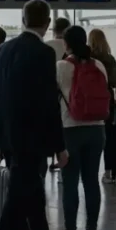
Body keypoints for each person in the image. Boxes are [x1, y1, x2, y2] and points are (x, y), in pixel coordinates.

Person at [0, 0, 77, 230]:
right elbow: (48, 103)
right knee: (15, 206)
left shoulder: (1, 50)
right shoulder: (43, 53)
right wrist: (59, 146)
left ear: (23, 20)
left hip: (7, 138)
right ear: (47, 23)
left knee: (34, 201)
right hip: (30, 142)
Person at [54, 26, 108, 230]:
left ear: (65, 44)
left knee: (70, 182)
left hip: (70, 129)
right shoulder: (99, 65)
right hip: (97, 129)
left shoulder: (61, 67)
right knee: (91, 180)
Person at [87, 29, 116, 184]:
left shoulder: (87, 59)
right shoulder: (109, 59)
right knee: (108, 138)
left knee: (90, 138)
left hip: (89, 101)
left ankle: (90, 172)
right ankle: (108, 173)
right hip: (107, 102)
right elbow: (115, 82)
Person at [46, 17, 71, 171]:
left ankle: (52, 157)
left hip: (49, 95)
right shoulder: (71, 47)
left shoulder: (46, 45)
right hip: (68, 97)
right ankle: (63, 162)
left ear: (54, 30)